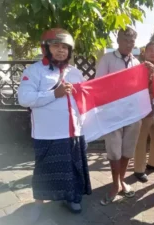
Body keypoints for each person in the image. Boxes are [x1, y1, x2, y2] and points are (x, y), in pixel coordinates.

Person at [18, 28, 92, 222]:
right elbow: (24, 98)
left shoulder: (75, 72)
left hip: (74, 131)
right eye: (56, 46)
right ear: (46, 49)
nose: (61, 51)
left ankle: (72, 198)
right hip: (47, 133)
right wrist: (54, 93)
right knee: (45, 171)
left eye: (65, 47)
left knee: (72, 169)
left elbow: (84, 98)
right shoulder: (34, 71)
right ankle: (39, 204)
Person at [96, 26, 147, 205]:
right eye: (125, 40)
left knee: (127, 150)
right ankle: (114, 185)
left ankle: (121, 180)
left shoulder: (137, 63)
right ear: (118, 41)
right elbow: (99, 85)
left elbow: (141, 86)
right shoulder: (107, 59)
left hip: (132, 114)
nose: (129, 44)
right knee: (114, 151)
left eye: (132, 41)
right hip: (113, 114)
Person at [133, 42, 154, 183]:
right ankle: (139, 169)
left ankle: (153, 163)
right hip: (143, 110)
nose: (153, 53)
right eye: (150, 51)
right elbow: (137, 88)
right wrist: (151, 75)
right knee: (141, 140)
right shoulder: (139, 68)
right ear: (145, 53)